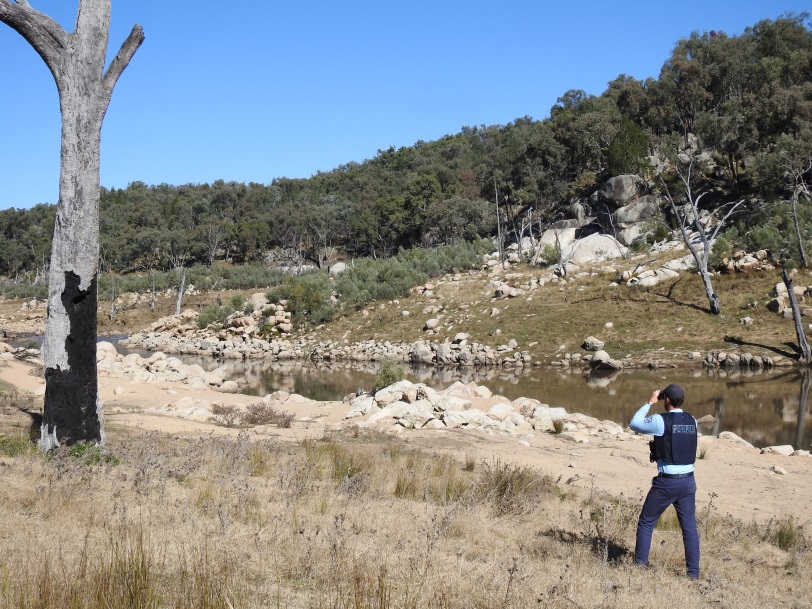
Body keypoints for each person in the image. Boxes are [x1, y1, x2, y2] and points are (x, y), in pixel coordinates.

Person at [630, 383, 700, 579]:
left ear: (666, 400)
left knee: (646, 522)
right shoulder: (692, 420)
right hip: (689, 482)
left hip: (667, 483)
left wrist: (650, 402)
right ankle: (693, 574)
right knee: (689, 529)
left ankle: (640, 568)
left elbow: (635, 423)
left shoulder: (660, 421)